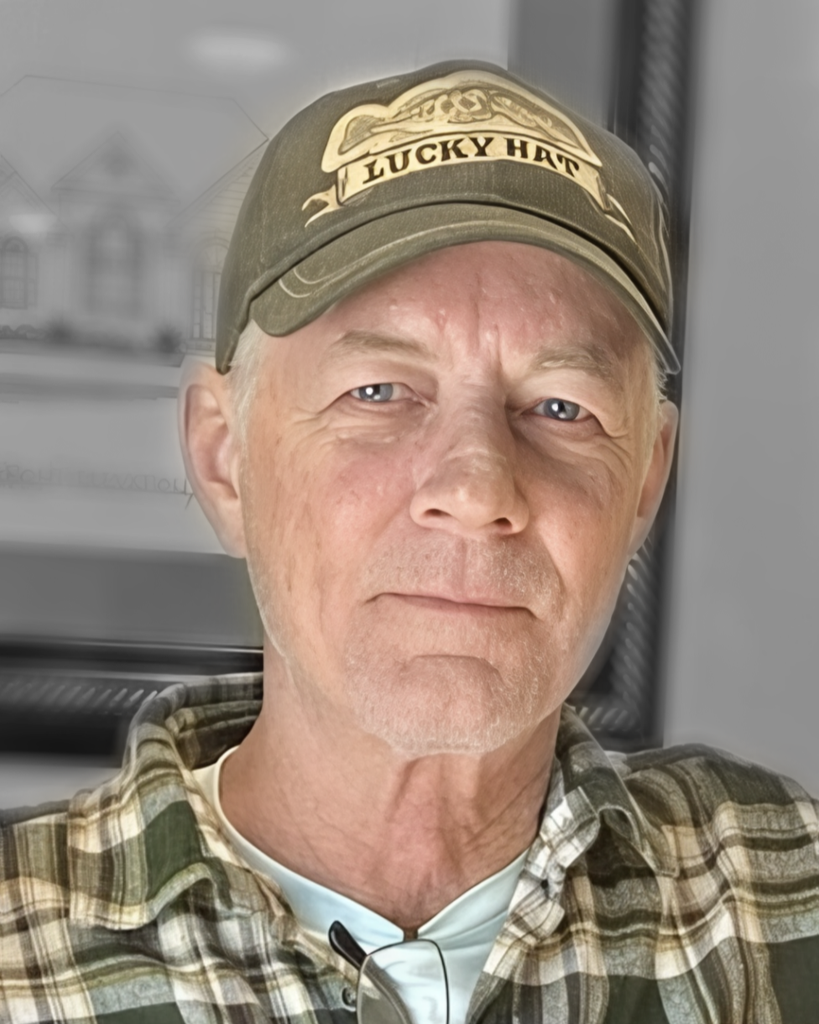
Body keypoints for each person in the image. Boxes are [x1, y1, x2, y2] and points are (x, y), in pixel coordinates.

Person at [1, 60, 818, 1024]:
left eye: (561, 407)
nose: (476, 491)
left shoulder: (780, 897)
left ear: (644, 481)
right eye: (379, 392)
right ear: (223, 459)